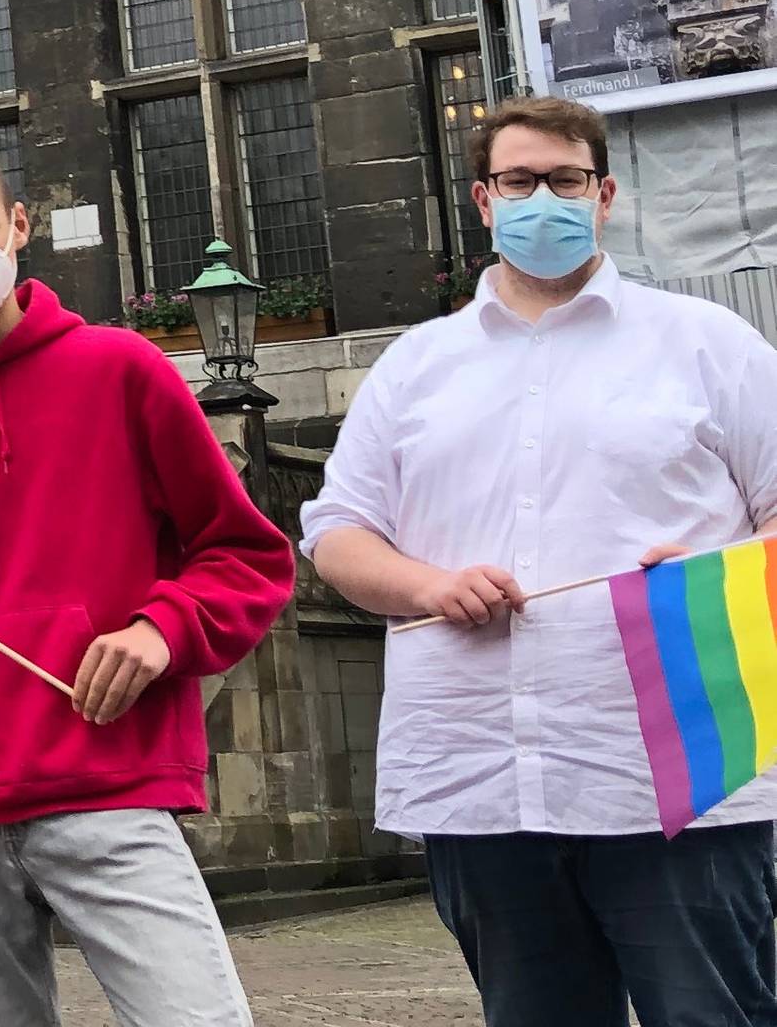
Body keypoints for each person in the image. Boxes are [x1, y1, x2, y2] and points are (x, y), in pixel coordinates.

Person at [301, 96, 777, 1027]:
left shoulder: (707, 342)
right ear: (484, 200)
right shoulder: (414, 365)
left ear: (603, 195)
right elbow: (338, 533)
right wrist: (426, 585)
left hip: (677, 774)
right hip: (480, 781)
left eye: (564, 180)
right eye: (519, 181)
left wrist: (718, 568)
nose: (542, 199)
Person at [0, 133, 290, 1025]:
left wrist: (160, 629)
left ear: (20, 228)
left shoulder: (120, 369)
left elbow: (246, 553)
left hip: (106, 779)